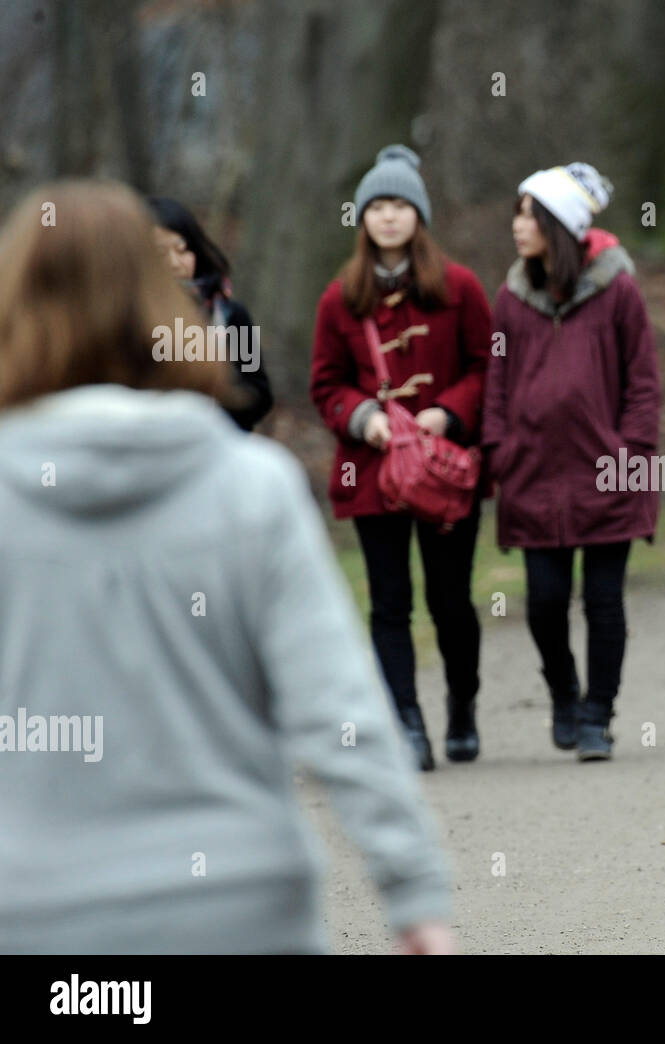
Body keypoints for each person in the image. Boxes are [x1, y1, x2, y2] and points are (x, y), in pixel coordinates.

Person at [0, 180, 454, 954]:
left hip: (38, 911)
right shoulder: (251, 489)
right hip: (238, 906)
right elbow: (338, 706)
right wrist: (413, 894)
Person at [310, 145, 491, 770]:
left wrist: (449, 412)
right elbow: (325, 383)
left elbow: (486, 365)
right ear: (362, 218)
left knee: (450, 598)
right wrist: (367, 418)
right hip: (375, 472)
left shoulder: (461, 288)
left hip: (444, 468)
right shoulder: (340, 299)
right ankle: (406, 724)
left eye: (400, 205)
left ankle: (462, 706)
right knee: (389, 600)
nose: (388, 217)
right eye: (377, 206)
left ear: (420, 215)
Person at [483, 163, 661, 761]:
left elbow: (643, 383)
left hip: (608, 473)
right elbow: (497, 383)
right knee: (543, 601)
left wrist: (633, 455)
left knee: (605, 601)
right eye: (517, 212)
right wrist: (499, 452)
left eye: (529, 214)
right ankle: (563, 695)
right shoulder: (511, 298)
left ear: (558, 224)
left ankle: (597, 718)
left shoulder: (618, 290)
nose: (517, 225)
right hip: (532, 476)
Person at [149, 196, 274, 431]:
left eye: (183, 250)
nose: (175, 263)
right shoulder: (120, 319)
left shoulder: (229, 315)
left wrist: (219, 403)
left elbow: (259, 393)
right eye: (160, 253)